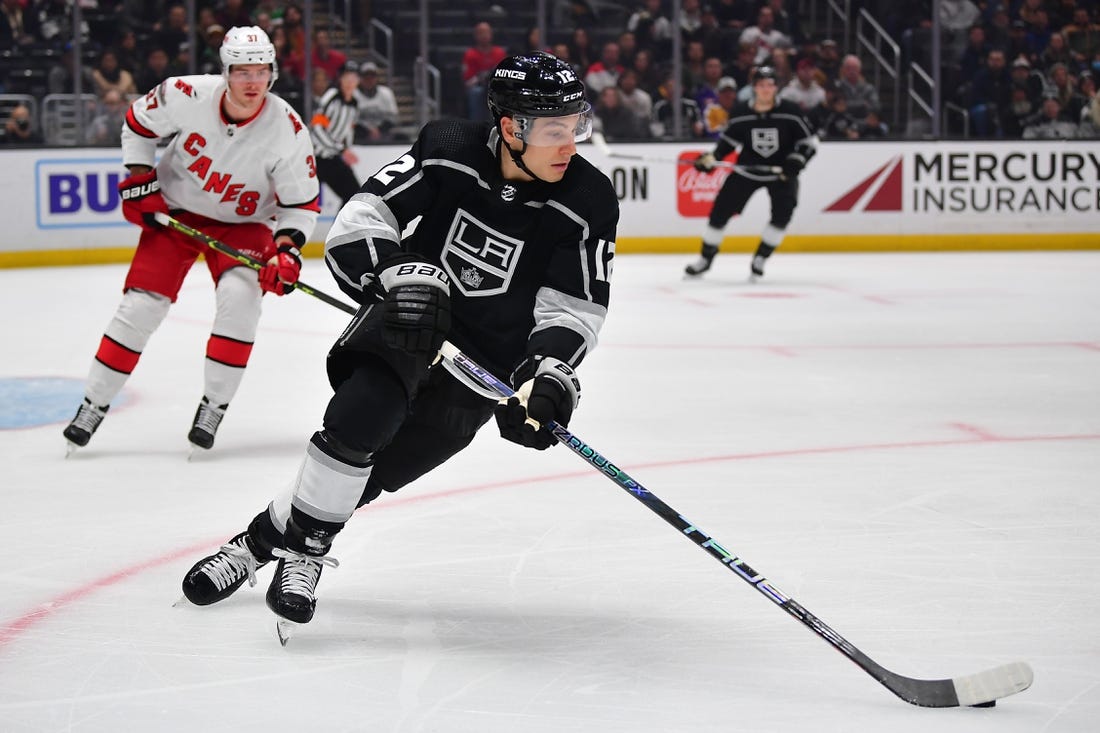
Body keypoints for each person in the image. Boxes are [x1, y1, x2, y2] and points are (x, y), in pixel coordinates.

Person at [178, 52, 619, 630]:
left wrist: (548, 373)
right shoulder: (449, 147)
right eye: (555, 130)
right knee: (362, 419)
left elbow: (573, 305)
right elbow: (362, 219)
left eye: (576, 127)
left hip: (484, 368)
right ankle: (306, 553)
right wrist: (401, 274)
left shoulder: (587, 198)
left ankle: (258, 543)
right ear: (510, 127)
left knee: (375, 472)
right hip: (411, 322)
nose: (571, 144)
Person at [61, 26, 320, 453]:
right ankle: (93, 403)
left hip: (244, 224)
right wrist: (141, 178)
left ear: (272, 73)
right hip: (176, 214)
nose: (252, 82)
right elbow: (136, 126)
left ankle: (214, 405)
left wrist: (287, 250)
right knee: (140, 306)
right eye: (241, 71)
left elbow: (300, 205)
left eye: (261, 71)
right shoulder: (185, 93)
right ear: (224, 72)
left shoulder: (288, 130)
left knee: (240, 301)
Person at [684, 66, 818, 279]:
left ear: (776, 87)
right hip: (747, 170)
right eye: (761, 85)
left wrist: (797, 160)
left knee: (782, 215)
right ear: (754, 87)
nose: (766, 89)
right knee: (720, 212)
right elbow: (728, 143)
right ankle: (705, 259)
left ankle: (761, 258)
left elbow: (810, 142)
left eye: (770, 85)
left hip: (782, 174)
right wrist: (712, 158)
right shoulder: (741, 113)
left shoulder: (791, 112)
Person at [311, 61, 363, 207]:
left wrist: (346, 149)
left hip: (333, 158)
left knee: (354, 196)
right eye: (347, 77)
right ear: (340, 79)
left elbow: (348, 130)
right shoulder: (332, 96)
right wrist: (342, 149)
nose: (350, 82)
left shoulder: (355, 104)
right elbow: (317, 127)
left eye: (354, 78)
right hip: (315, 159)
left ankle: (339, 230)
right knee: (301, 199)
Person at [462, 21, 507, 122]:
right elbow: (468, 82)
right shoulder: (470, 54)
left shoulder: (499, 52)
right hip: (479, 87)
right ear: (476, 35)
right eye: (481, 32)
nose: (484, 35)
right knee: (476, 93)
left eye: (487, 32)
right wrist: (482, 77)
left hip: (496, 86)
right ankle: (476, 125)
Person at [355, 61, 399, 142]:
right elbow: (351, 121)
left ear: (376, 78)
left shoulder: (386, 93)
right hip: (360, 135)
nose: (369, 80)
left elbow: (393, 118)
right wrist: (368, 131)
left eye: (372, 77)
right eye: (366, 77)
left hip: (384, 133)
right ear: (360, 78)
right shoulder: (354, 95)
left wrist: (379, 130)